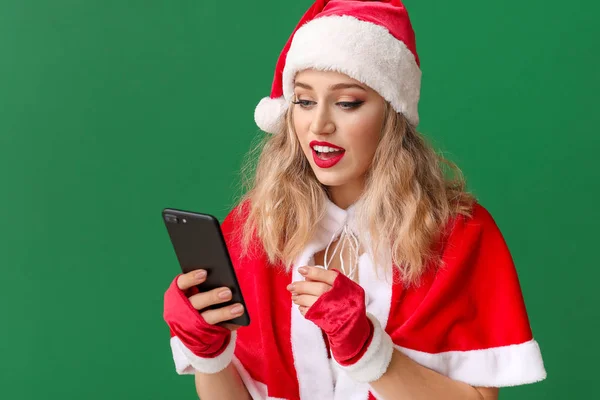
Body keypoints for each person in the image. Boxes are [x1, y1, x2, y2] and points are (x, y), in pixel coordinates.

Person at [162, 1, 547, 399]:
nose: (320, 124)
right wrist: (206, 352)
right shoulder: (253, 230)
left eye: (347, 103)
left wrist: (369, 352)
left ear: (392, 112)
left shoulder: (459, 235)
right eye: (304, 101)